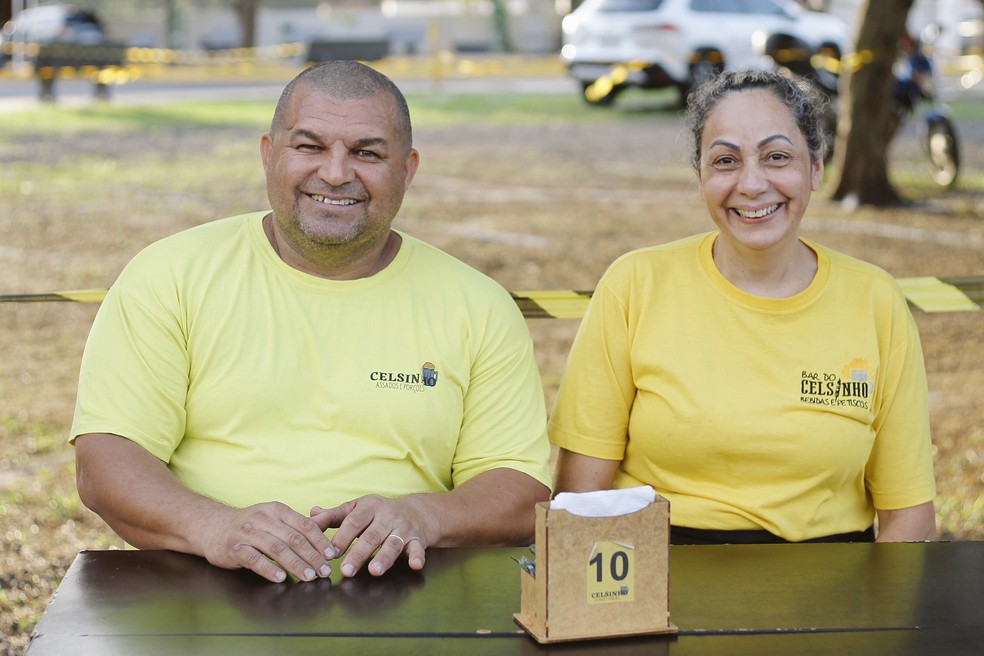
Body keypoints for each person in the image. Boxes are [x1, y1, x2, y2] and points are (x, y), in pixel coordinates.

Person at [71, 60, 552, 583]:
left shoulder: (477, 304)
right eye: (310, 146)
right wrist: (216, 528)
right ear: (268, 154)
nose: (336, 173)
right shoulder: (168, 275)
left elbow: (518, 489)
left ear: (408, 170)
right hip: (202, 587)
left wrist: (422, 516)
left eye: (367, 152)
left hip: (410, 589)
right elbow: (106, 460)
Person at [548, 69, 936, 545]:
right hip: (657, 581)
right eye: (726, 161)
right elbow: (580, 502)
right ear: (701, 176)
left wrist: (879, 616)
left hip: (830, 587)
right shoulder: (635, 284)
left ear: (815, 167)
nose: (751, 184)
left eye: (776, 157)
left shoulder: (876, 300)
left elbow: (909, 515)